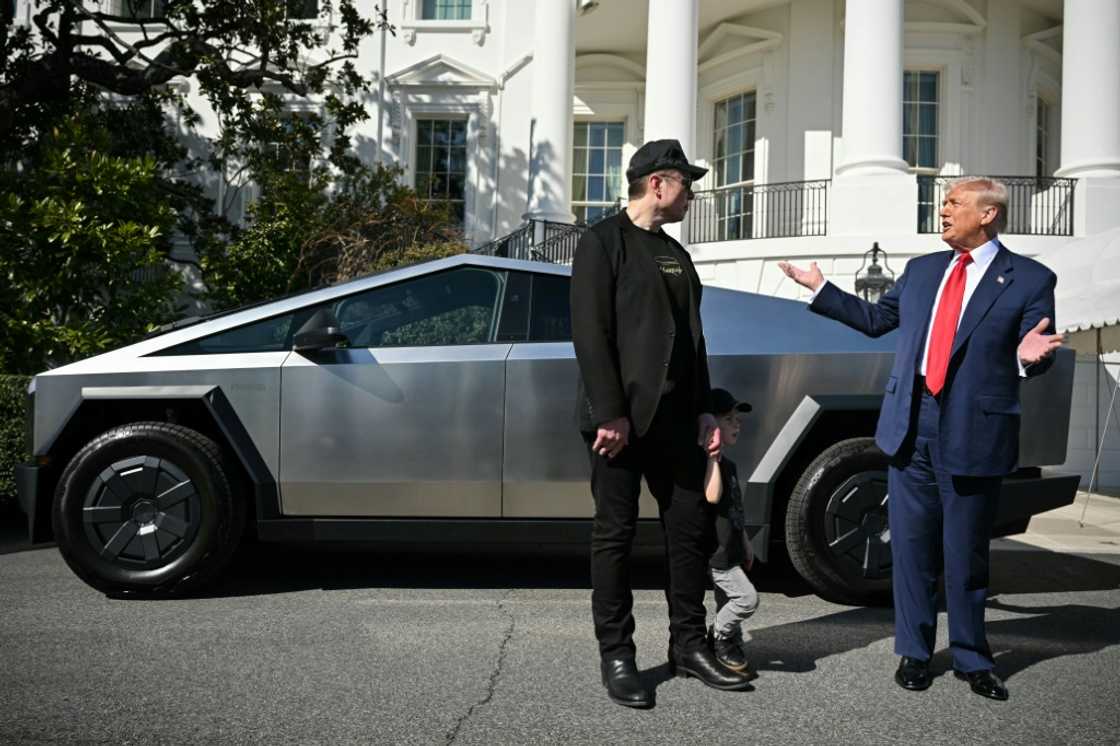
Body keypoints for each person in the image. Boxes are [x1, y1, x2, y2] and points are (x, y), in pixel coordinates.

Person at [779, 177, 1064, 701]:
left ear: (988, 214)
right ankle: (913, 653)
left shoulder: (1029, 277)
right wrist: (821, 289)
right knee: (909, 550)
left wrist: (1028, 357)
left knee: (965, 555)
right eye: (944, 202)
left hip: (975, 432)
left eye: (954, 203)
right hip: (910, 423)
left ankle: (973, 658)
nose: (944, 210)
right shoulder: (921, 270)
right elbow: (874, 319)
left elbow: (1034, 345)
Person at [571, 139, 755, 708]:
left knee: (689, 535)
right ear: (658, 184)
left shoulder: (677, 254)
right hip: (620, 425)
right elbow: (590, 333)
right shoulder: (602, 242)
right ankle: (618, 656)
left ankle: (689, 645)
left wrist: (705, 409)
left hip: (678, 423)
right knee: (616, 537)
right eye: (686, 183)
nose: (692, 194)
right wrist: (611, 413)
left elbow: (694, 342)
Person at [703, 388, 759, 679]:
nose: (737, 424)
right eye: (728, 419)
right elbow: (712, 498)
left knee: (727, 601)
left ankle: (730, 642)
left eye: (738, 418)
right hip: (719, 555)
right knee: (747, 600)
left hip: (733, 548)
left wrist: (746, 543)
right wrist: (712, 458)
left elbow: (735, 510)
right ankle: (720, 636)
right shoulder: (708, 464)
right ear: (711, 424)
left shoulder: (732, 465)